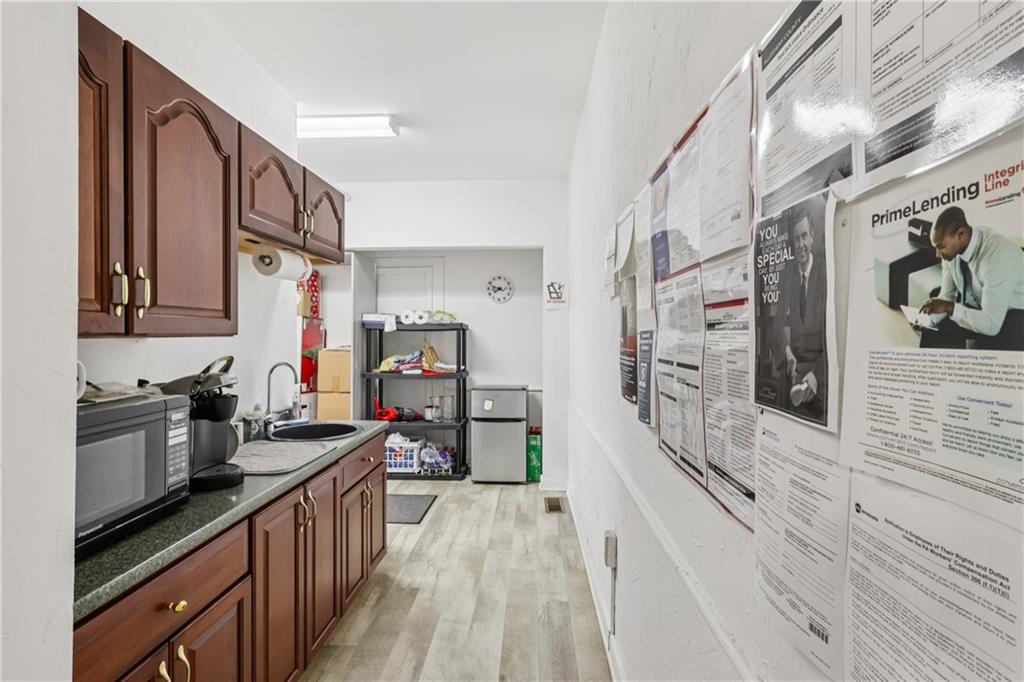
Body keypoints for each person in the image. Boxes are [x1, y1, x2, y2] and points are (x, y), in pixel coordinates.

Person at [918, 206, 1024, 351]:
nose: (938, 254)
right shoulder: (951, 254)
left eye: (941, 247)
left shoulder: (997, 257)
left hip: (1015, 314)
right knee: (934, 329)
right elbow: (947, 295)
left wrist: (950, 307)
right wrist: (927, 320)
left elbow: (992, 324)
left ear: (960, 233)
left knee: (982, 350)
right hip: (982, 305)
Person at [777, 209, 827, 416]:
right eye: (796, 239)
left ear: (813, 236)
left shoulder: (826, 273)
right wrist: (787, 353)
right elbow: (776, 325)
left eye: (804, 236)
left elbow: (835, 336)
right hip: (794, 373)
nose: (800, 245)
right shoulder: (788, 277)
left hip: (819, 375)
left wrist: (818, 373)